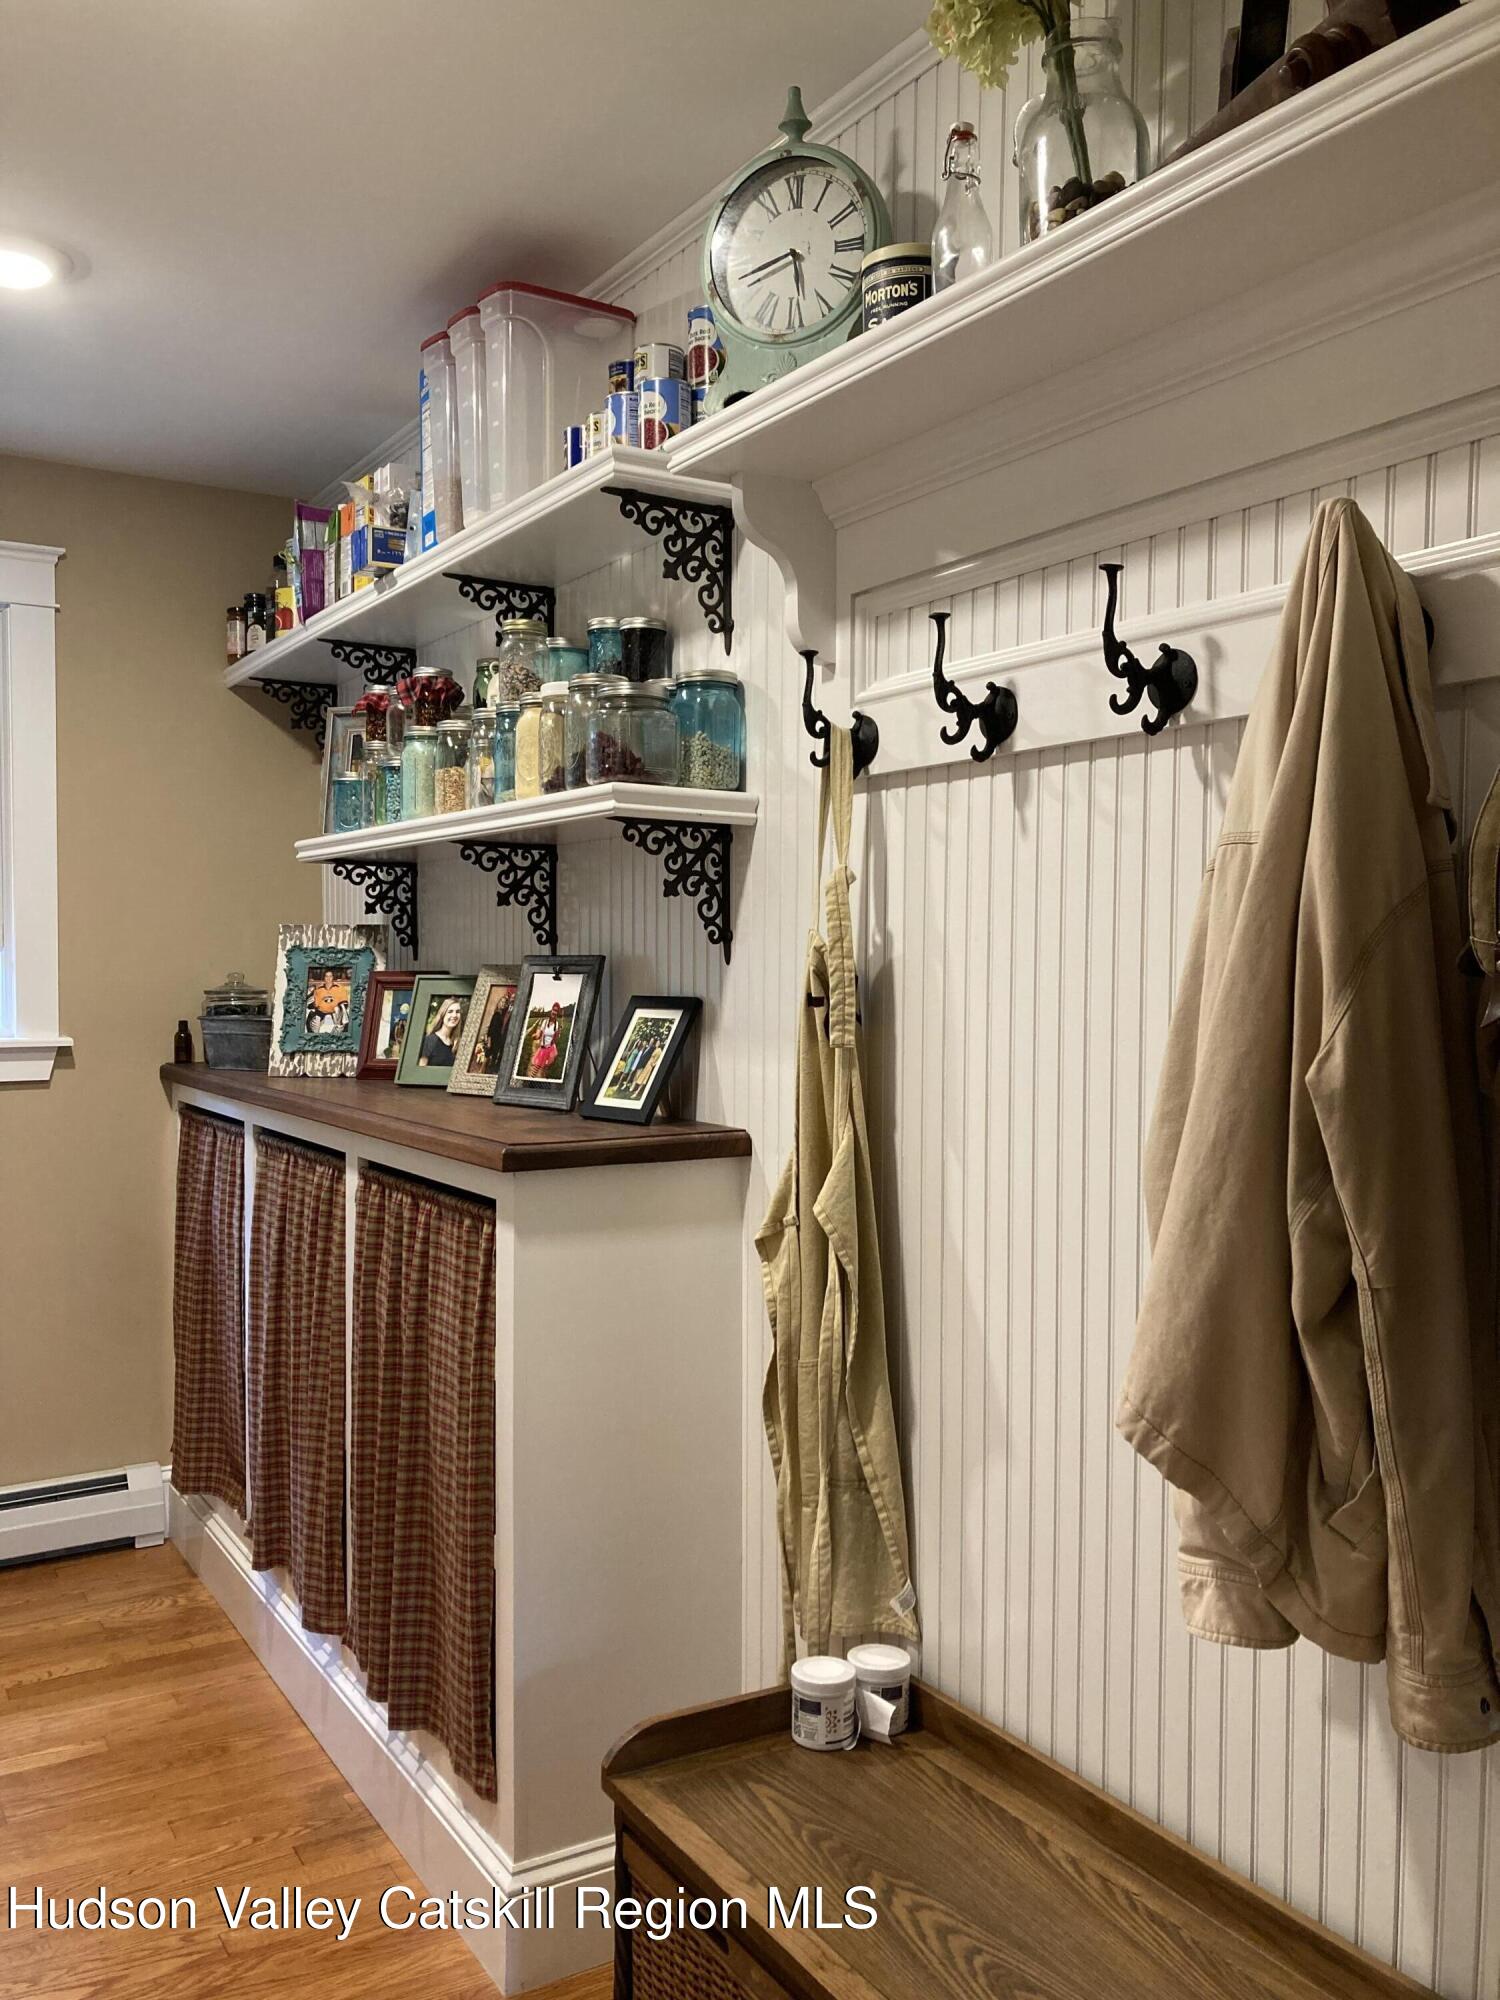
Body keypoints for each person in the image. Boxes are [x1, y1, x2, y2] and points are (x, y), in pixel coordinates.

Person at [418, 994, 465, 1067]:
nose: (454, 1015)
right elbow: (420, 1070)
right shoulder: (430, 1040)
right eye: (450, 1011)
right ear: (443, 1015)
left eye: (457, 1011)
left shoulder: (457, 1043)